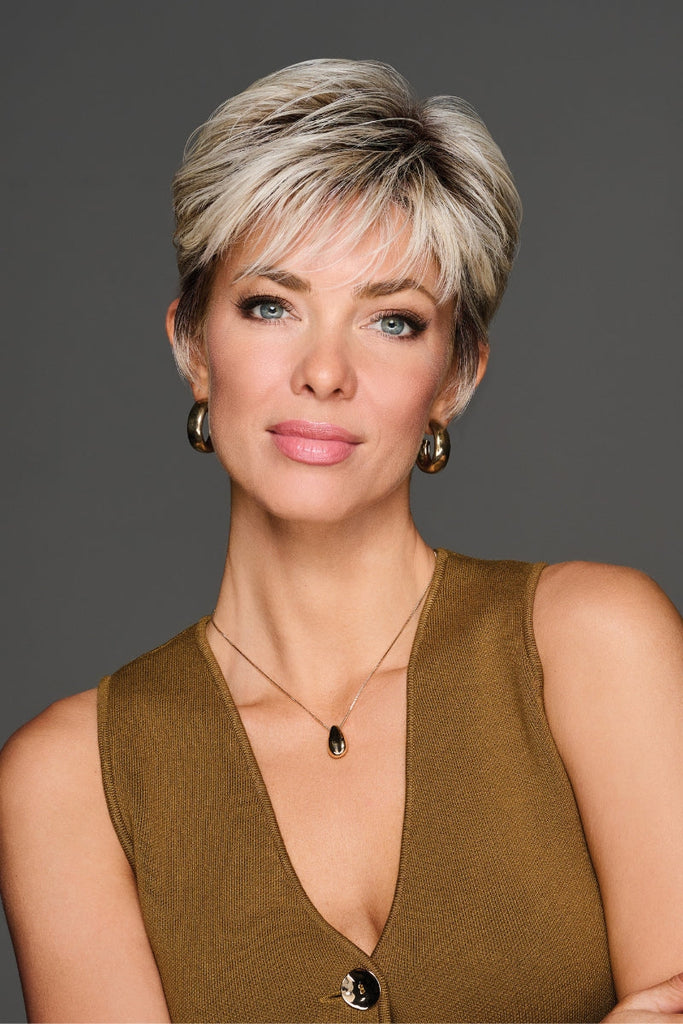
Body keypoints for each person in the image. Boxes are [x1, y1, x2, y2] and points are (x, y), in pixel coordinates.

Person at [0, 58, 681, 1024]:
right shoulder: (70, 780)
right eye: (270, 305)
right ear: (193, 345)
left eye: (393, 322)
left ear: (454, 375)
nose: (324, 371)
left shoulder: (592, 643)